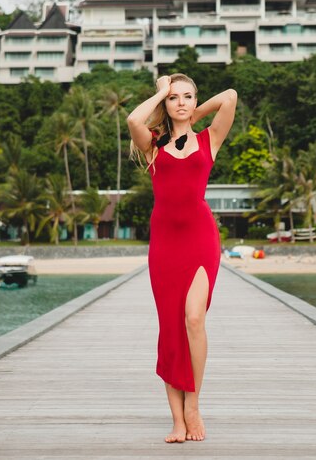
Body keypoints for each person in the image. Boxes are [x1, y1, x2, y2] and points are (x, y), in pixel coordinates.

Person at [127, 72, 237, 443]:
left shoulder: (209, 140)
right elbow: (132, 120)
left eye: (187, 97)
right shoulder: (152, 146)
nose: (181, 102)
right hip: (164, 245)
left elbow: (230, 95)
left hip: (201, 239)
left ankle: (194, 404)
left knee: (193, 318)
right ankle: (176, 420)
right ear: (164, 102)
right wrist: (160, 94)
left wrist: (192, 118)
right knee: (171, 328)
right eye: (175, 98)